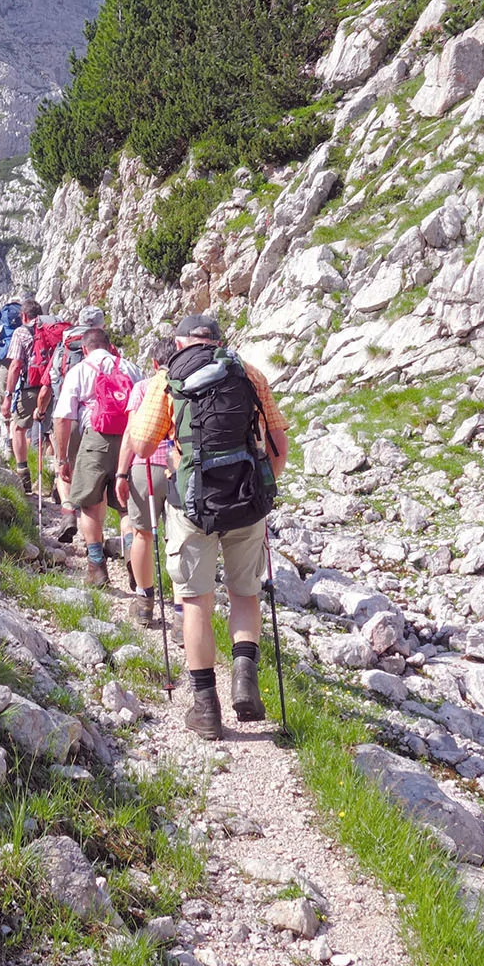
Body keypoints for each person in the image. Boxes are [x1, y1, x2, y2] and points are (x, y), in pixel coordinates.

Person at [129, 312, 288, 741]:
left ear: (181, 344)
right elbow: (278, 441)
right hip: (247, 501)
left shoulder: (169, 379)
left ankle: (206, 708)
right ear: (217, 342)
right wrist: (264, 489)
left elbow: (142, 444)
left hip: (192, 505)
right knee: (245, 592)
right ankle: (243, 678)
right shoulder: (249, 373)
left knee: (195, 600)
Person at [52, 327, 140, 586]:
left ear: (86, 349)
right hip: (129, 440)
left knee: (91, 505)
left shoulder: (79, 370)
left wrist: (62, 458)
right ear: (111, 347)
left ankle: (97, 568)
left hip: (95, 439)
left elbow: (63, 417)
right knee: (126, 507)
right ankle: (134, 561)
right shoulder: (131, 368)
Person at [114, 334, 177, 628]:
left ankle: (144, 603)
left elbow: (131, 433)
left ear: (154, 363)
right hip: (179, 466)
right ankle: (182, 616)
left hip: (146, 465)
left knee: (142, 534)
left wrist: (121, 473)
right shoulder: (186, 386)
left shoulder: (142, 388)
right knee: (180, 539)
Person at [42, 304, 107, 542]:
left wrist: (42, 408)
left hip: (67, 418)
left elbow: (49, 379)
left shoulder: (64, 345)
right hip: (101, 422)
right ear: (101, 325)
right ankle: (97, 539)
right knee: (97, 479)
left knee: (65, 469)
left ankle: (68, 512)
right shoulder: (107, 349)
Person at [0, 296, 43, 493]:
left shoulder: (20, 332)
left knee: (18, 428)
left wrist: (8, 396)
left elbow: (16, 365)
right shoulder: (52, 330)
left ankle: (23, 475)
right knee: (54, 431)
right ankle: (60, 480)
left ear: (23, 316)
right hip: (55, 388)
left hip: (31, 388)